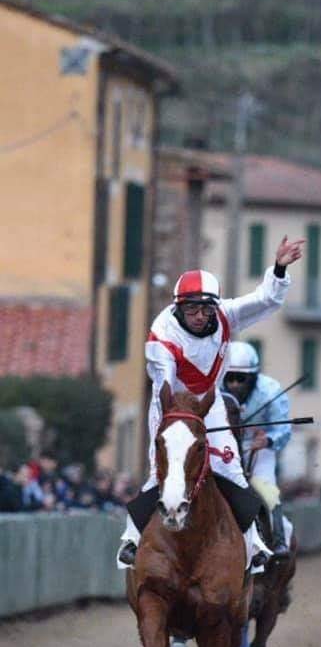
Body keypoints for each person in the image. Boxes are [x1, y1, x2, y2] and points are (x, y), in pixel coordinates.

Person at [117, 235, 304, 571]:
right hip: (171, 407)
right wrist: (177, 428)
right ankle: (130, 541)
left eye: (205, 308)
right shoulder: (162, 335)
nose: (200, 316)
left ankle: (255, 545)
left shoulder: (226, 315)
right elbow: (164, 385)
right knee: (163, 471)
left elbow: (266, 300)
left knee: (231, 468)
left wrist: (278, 268)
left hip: (210, 401)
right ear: (178, 308)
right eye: (191, 309)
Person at [221, 341, 292, 558]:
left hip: (259, 448)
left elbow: (283, 428)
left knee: (266, 489)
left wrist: (269, 440)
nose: (233, 384)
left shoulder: (271, 391)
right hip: (224, 447)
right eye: (229, 377)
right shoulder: (213, 389)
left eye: (240, 379)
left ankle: (279, 542)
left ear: (252, 378)